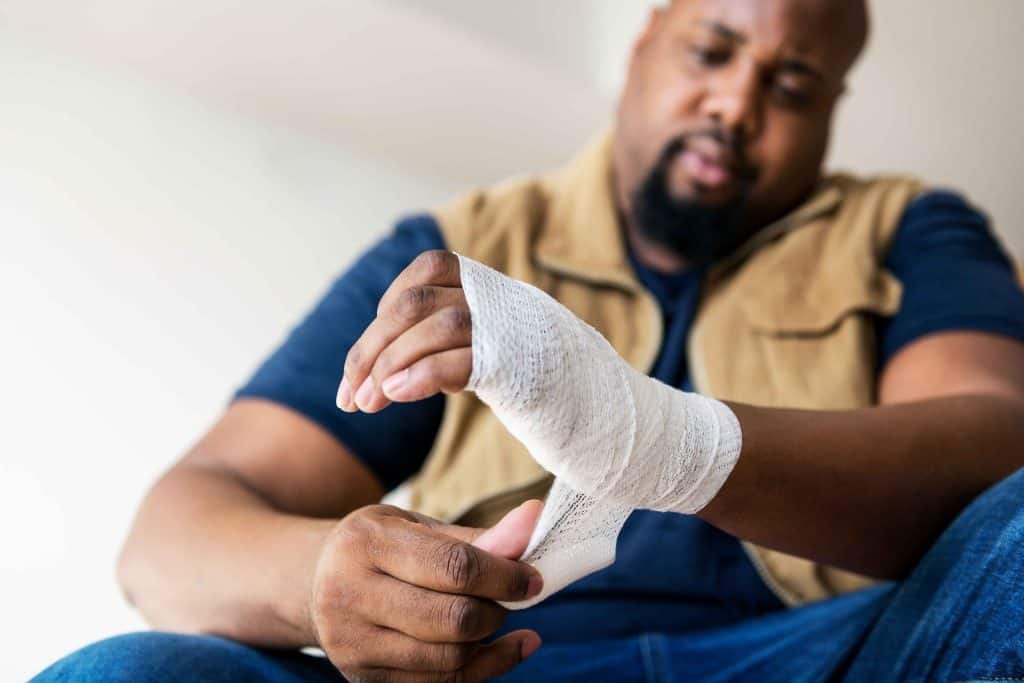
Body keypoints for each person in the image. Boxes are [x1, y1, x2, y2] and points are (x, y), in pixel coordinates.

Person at [33, 0, 1024, 681]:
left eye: (794, 86)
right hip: (498, 654)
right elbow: (171, 535)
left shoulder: (909, 229)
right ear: (643, 48)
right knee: (132, 669)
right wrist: (321, 581)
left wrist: (652, 435)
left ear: (830, 115)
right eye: (712, 52)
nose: (737, 104)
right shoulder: (455, 249)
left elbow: (996, 448)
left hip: (823, 652)